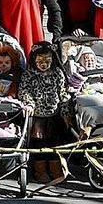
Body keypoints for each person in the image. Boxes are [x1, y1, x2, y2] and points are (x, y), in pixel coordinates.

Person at [18, 42, 69, 183]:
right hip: (38, 116)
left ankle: (55, 168)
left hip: (54, 115)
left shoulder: (57, 73)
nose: (44, 64)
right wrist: (29, 103)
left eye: (47, 60)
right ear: (34, 60)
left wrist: (66, 110)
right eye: (40, 61)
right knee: (38, 143)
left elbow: (63, 93)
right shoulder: (28, 74)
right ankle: (40, 170)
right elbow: (24, 91)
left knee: (55, 143)